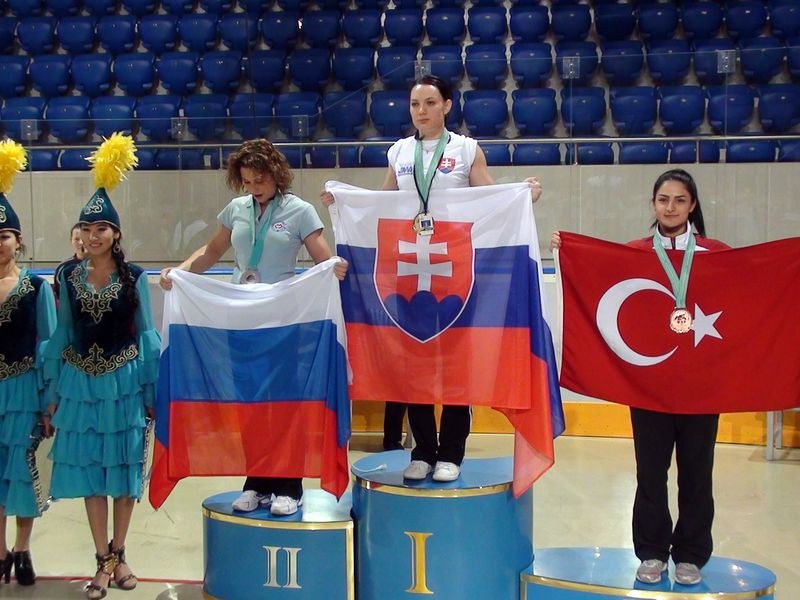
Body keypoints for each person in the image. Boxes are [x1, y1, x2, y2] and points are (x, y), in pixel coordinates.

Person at [322, 74, 542, 483]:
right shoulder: (398, 152)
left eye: (429, 103)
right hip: (408, 271)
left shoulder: (465, 149)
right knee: (414, 366)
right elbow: (385, 203)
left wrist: (521, 194)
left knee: (458, 365)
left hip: (456, 270)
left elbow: (489, 197)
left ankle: (451, 453)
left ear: (446, 106)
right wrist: (346, 201)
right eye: (414, 104)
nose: (421, 111)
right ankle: (422, 449)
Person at [551, 168, 729, 586]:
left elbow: (746, 292)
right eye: (663, 200)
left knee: (697, 473)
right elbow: (594, 271)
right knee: (650, 472)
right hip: (648, 386)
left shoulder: (717, 253)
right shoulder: (632, 253)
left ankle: (691, 553)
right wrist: (567, 251)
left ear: (693, 205)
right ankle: (651, 551)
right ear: (653, 205)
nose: (671, 207)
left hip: (701, 388)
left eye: (679, 200)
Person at [159, 138, 347, 516]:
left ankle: (288, 486)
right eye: (246, 181)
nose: (254, 187)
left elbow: (323, 257)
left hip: (284, 320)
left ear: (276, 174)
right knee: (249, 401)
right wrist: (179, 273)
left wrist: (333, 268)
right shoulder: (236, 210)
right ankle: (257, 482)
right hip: (241, 320)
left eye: (260, 179)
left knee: (283, 404)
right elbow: (210, 253)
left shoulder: (299, 210)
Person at [44, 134, 160, 600]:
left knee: (124, 470)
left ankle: (120, 551)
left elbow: (148, 335)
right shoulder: (66, 277)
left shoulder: (136, 278)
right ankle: (102, 560)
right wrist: (52, 391)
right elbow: (62, 335)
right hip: (80, 384)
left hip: (125, 382)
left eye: (102, 230)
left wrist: (151, 393)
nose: (93, 238)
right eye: (86, 230)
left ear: (116, 233)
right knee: (94, 471)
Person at [0, 140, 57, 586]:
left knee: (22, 468)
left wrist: (47, 401)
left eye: (3, 235)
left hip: (22, 389)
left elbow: (50, 345)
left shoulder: (37, 288)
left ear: (18, 240)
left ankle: (22, 549)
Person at [53, 224, 86, 297]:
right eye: (77, 239)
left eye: (84, 239)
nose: (81, 242)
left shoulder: (103, 265)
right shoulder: (62, 268)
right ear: (71, 241)